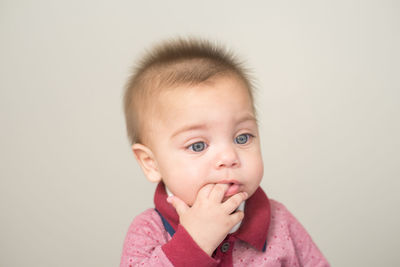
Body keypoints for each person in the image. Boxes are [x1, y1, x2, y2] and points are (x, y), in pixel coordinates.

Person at [120, 38, 329, 266]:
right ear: (151, 163)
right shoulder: (150, 231)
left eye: (242, 138)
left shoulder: (278, 220)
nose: (229, 157)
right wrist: (193, 243)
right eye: (198, 145)